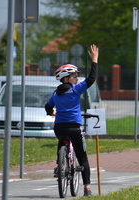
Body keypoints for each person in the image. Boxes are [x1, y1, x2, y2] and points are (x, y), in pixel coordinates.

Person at [45, 44, 99, 197]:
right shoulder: (76, 89)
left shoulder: (56, 93)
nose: (77, 78)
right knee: (82, 157)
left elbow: (47, 106)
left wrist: (52, 112)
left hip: (60, 128)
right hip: (75, 128)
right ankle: (87, 189)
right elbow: (91, 78)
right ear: (66, 78)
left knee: (62, 141)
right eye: (74, 76)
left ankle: (59, 166)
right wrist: (94, 60)